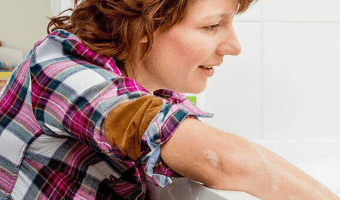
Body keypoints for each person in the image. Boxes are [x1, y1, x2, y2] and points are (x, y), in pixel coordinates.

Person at [0, 0, 339, 199]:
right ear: (144, 26)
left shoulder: (146, 88)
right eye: (211, 27)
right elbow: (222, 160)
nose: (234, 46)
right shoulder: (60, 71)